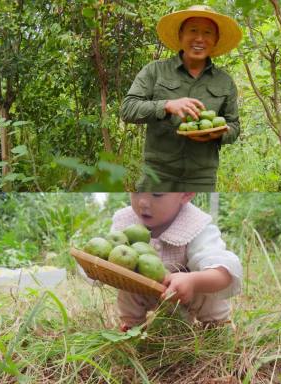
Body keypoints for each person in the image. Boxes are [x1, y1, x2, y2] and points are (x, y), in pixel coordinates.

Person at [121, 6, 242, 191]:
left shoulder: (225, 82)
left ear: (215, 40)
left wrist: (219, 133)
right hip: (157, 175)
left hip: (201, 177)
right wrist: (167, 105)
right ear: (180, 35)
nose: (200, 38)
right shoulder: (155, 71)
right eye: (193, 30)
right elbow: (128, 109)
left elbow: (234, 125)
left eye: (207, 32)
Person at [112, 192, 242, 330]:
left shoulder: (195, 224)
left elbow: (222, 271)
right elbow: (110, 254)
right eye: (136, 190)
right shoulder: (125, 222)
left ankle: (217, 327)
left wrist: (193, 281)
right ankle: (132, 328)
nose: (142, 202)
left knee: (210, 295)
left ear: (186, 194)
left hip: (191, 292)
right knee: (128, 288)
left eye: (157, 194)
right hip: (144, 289)